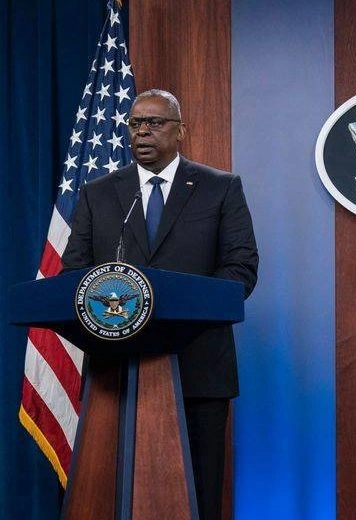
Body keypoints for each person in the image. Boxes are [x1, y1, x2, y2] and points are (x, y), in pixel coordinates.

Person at [62, 89, 259, 520]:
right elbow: (73, 273)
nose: (142, 132)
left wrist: (177, 308)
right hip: (117, 368)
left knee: (199, 493)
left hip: (198, 366)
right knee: (112, 491)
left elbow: (241, 269)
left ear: (180, 130)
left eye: (154, 123)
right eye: (135, 124)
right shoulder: (99, 193)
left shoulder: (220, 188)